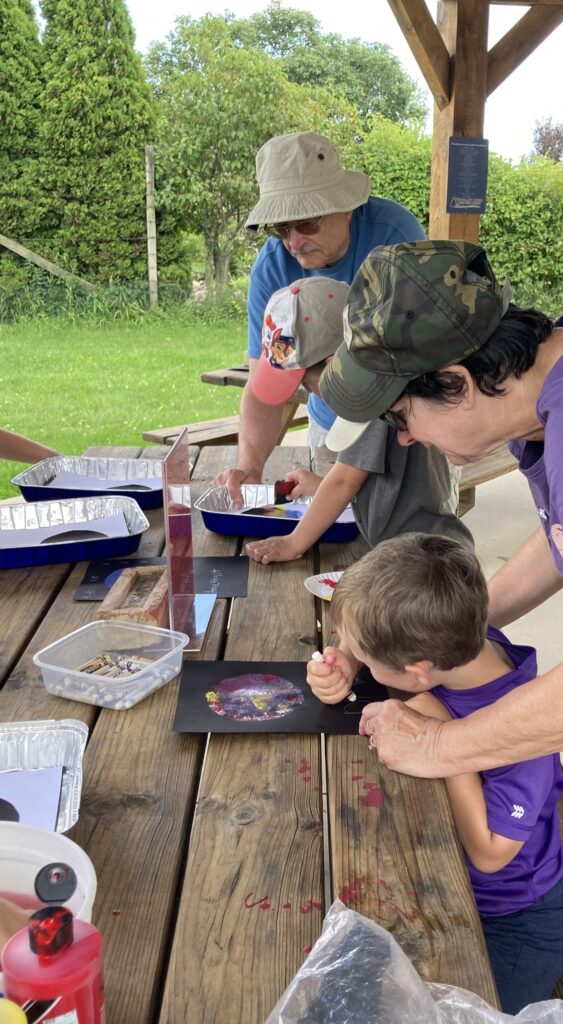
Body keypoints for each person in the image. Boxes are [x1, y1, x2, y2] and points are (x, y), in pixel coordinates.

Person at [317, 238, 563, 778]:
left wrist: (441, 746)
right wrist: (419, 629)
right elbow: (558, 539)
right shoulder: (538, 411)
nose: (403, 440)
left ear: (457, 383)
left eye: (399, 417)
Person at [307, 533, 563, 1014]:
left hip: (515, 916)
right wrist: (344, 660)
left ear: (416, 673)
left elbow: (490, 855)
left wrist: (444, 745)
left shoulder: (521, 739)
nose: (353, 653)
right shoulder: (466, 643)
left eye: (364, 651)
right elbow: (381, 645)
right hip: (444, 883)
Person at [214, 130, 426, 505]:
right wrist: (248, 468)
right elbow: (266, 382)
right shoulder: (273, 267)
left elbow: (416, 368)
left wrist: (342, 483)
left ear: (346, 206)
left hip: (409, 432)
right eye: (282, 228)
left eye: (308, 223)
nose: (294, 241)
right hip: (330, 430)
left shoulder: (396, 241)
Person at [244, 276, 471, 564]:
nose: (307, 392)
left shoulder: (370, 401)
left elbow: (344, 483)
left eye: (305, 383)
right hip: (414, 546)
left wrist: (292, 543)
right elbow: (370, 474)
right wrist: (322, 484)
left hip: (423, 558)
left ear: (334, 366)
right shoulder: (384, 375)